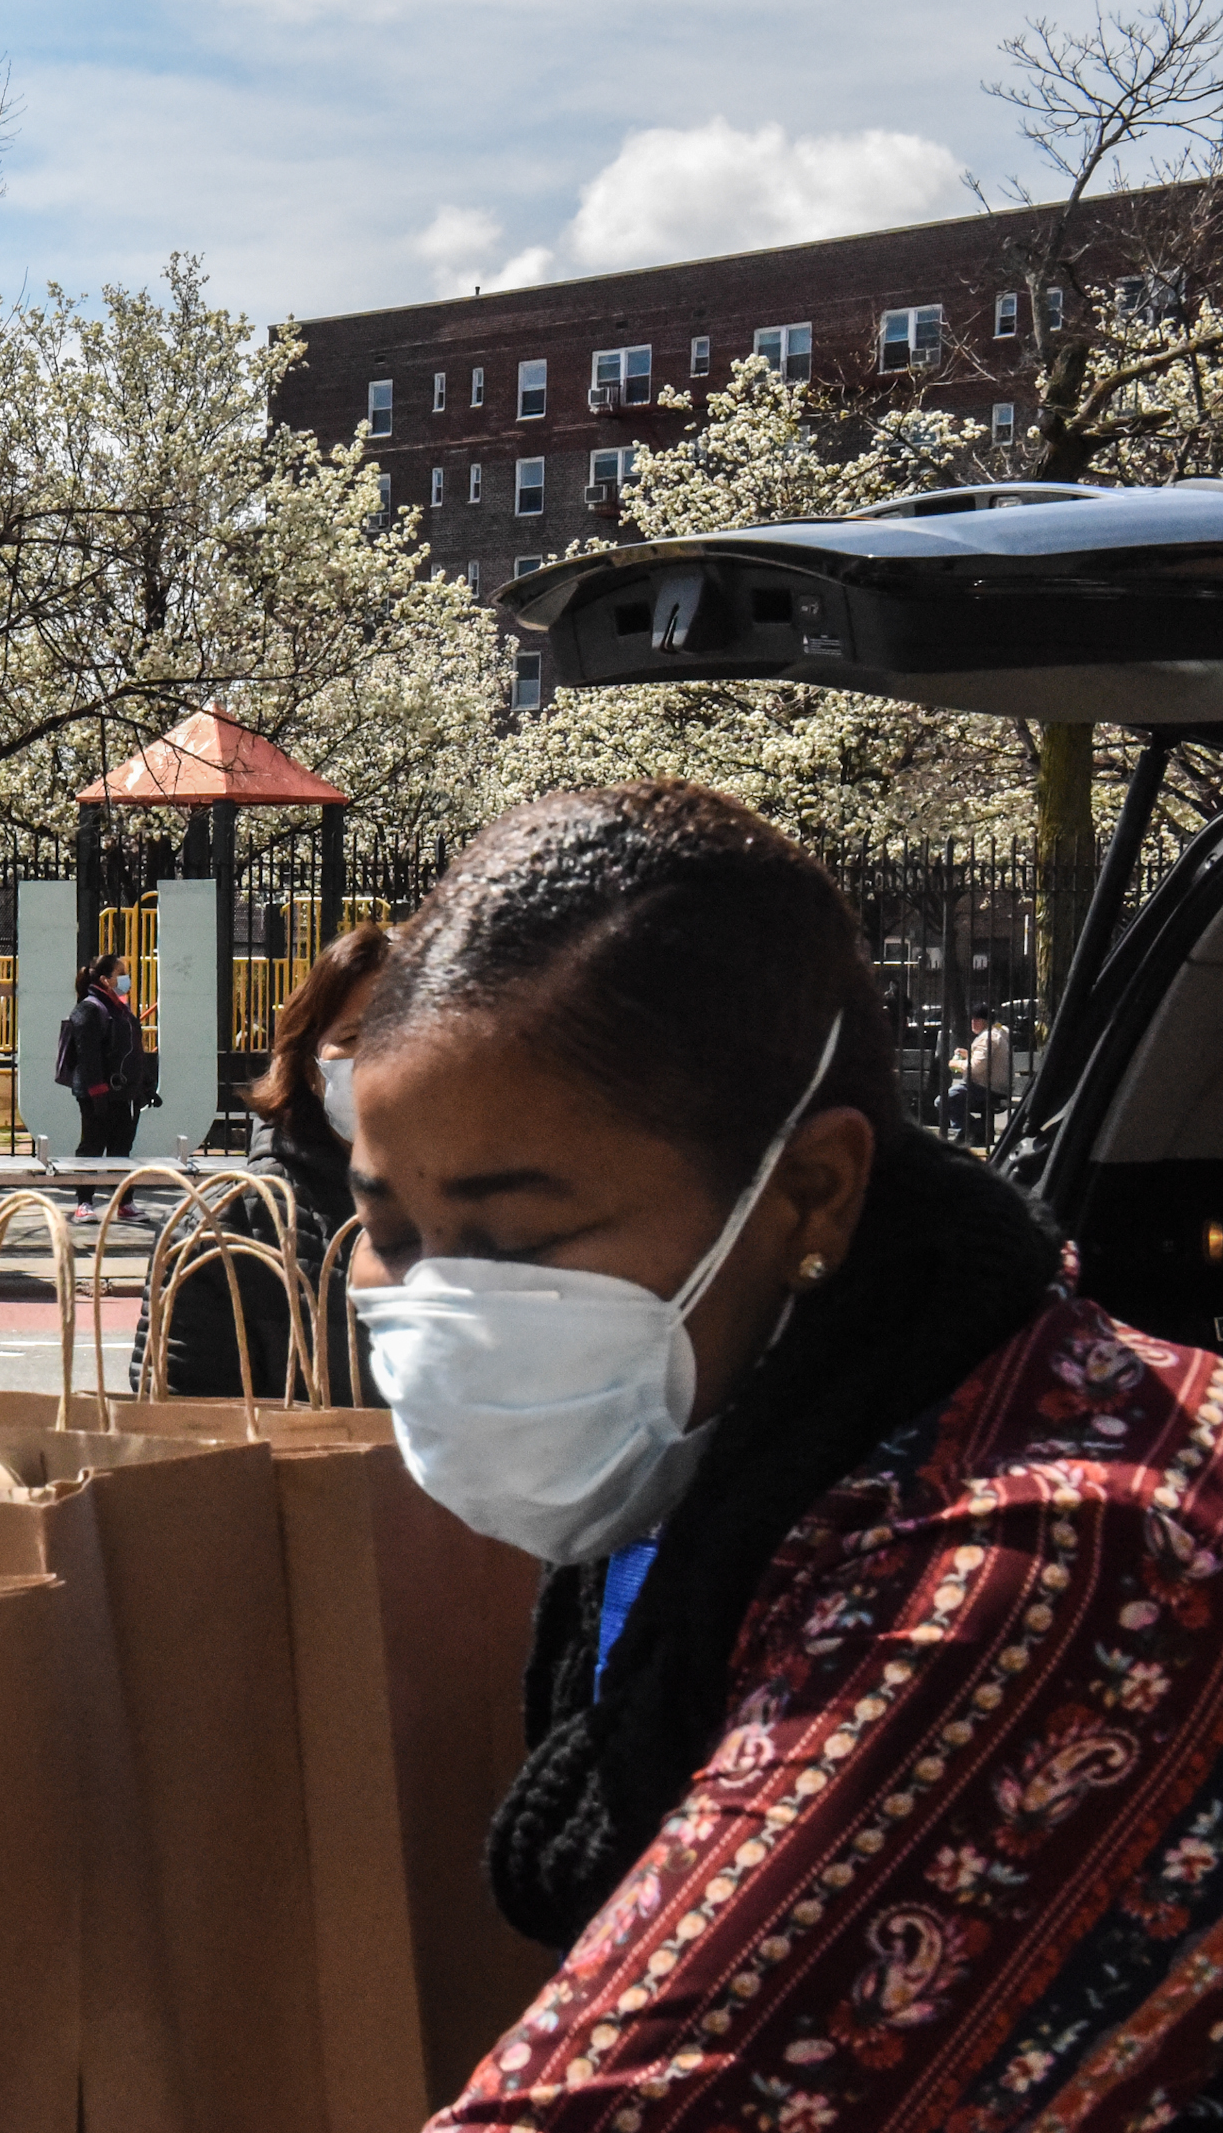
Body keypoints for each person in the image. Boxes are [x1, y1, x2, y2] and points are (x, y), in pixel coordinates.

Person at [341, 780, 1223, 2126]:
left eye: (518, 1243)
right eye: (393, 1230)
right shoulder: (755, 1462)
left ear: (811, 1190)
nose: (443, 1307)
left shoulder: (1051, 1554)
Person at [131, 923, 388, 1398]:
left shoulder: (508, 1216)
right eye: (353, 1037)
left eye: (404, 1035)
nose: (380, 1059)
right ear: (311, 1069)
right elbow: (183, 1438)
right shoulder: (226, 1229)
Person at [64, 953, 145, 1222]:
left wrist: (143, 1085)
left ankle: (125, 1202)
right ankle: (83, 1203)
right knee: (92, 1145)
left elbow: (133, 1050)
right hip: (96, 1092)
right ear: (105, 979)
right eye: (120, 974)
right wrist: (97, 1092)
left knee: (121, 1147)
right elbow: (88, 1056)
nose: (126, 979)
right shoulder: (90, 1008)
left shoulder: (121, 1008)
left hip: (122, 1092)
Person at [940, 1001, 1011, 1146]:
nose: (972, 1022)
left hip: (985, 1087)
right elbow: (986, 1061)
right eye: (972, 1019)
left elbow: (977, 1067)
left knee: (944, 1101)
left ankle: (975, 1130)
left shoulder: (988, 1038)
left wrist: (956, 1064)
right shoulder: (997, 1034)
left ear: (985, 1021)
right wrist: (968, 1055)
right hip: (994, 1086)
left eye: (976, 1019)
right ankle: (970, 1131)